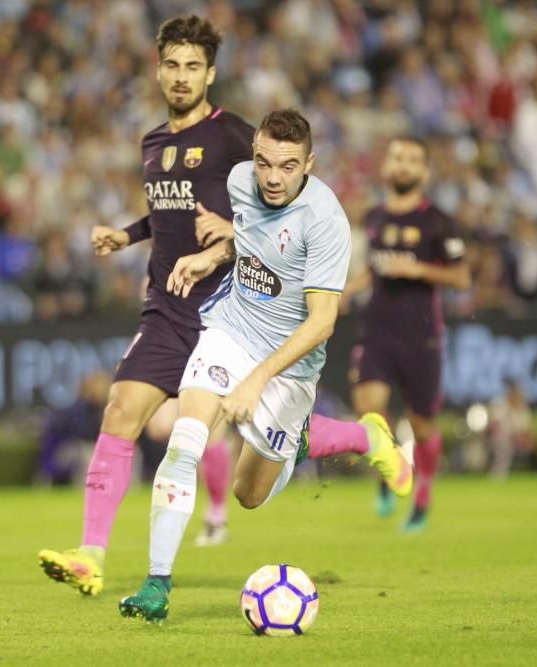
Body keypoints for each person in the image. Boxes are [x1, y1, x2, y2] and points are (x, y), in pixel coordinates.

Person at [118, 108, 412, 623]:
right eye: (264, 163)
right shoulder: (239, 181)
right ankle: (157, 584)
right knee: (185, 441)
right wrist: (212, 257)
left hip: (289, 367)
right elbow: (248, 240)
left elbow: (321, 323)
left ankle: (364, 437)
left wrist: (258, 380)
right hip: (229, 332)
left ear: (309, 164)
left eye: (287, 166)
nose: (272, 178)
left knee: (248, 494)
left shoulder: (325, 221)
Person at [38, 15, 255, 595]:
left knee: (253, 432)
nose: (181, 77)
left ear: (210, 72)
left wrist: (231, 236)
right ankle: (91, 556)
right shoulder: (153, 141)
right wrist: (128, 236)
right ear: (159, 70)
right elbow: (169, 214)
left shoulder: (234, 136)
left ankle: (368, 442)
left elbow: (280, 210)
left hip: (226, 313)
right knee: (119, 412)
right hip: (166, 307)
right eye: (172, 65)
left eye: (193, 67)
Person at [346, 137, 471, 533]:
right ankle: (391, 470)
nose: (403, 166)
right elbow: (375, 269)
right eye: (397, 157)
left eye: (413, 160)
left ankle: (424, 491)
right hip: (378, 327)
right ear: (388, 166)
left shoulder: (438, 221)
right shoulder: (375, 217)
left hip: (421, 335)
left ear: (424, 172)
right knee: (369, 407)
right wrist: (345, 291)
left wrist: (419, 270)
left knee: (422, 425)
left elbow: (462, 276)